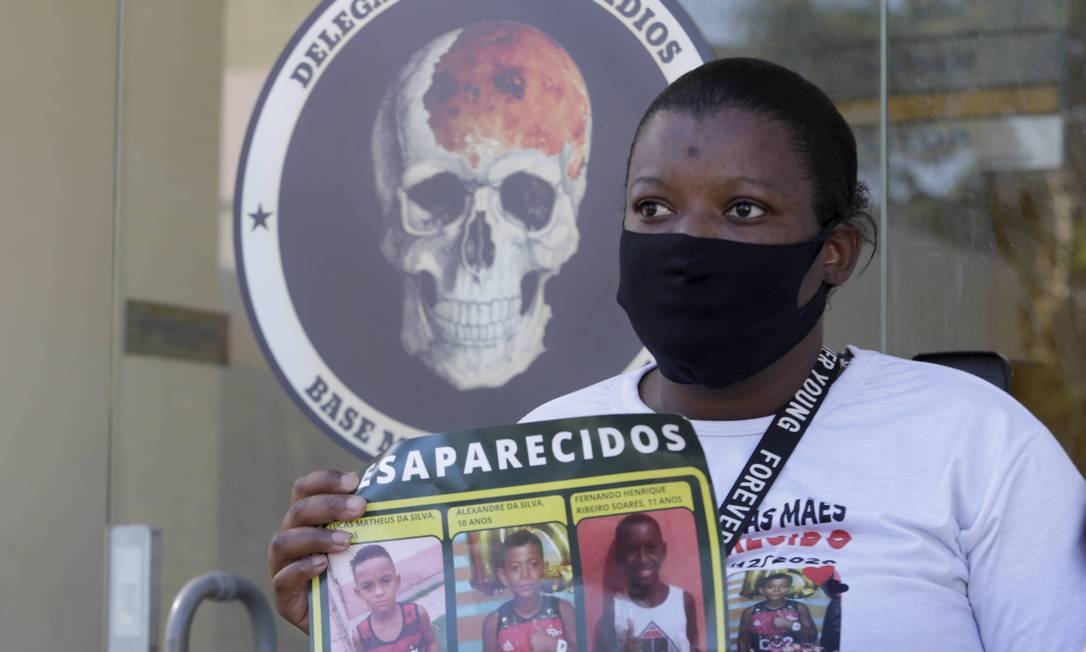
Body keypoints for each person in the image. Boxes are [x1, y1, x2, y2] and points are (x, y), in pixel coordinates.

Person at [267, 58, 1086, 650]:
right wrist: (354, 617)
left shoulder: (973, 441)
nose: (690, 242)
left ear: (834, 251)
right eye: (653, 207)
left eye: (743, 209)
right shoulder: (543, 447)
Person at [595, 513, 698, 652]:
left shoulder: (683, 601)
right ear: (619, 557)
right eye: (631, 550)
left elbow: (694, 646)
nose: (642, 559)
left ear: (664, 551)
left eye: (651, 548)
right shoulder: (615, 610)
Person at [481, 529, 577, 652]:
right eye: (515, 568)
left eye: (533, 564)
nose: (525, 575)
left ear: (544, 568)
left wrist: (555, 646)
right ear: (503, 576)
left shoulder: (562, 609)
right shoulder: (494, 623)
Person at [348, 544, 440, 652]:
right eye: (368, 586)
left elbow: (432, 643)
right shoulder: (360, 635)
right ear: (358, 593)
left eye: (386, 581)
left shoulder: (418, 614)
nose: (379, 592)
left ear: (397, 581)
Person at [735, 573, 817, 652]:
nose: (776, 590)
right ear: (762, 590)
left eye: (783, 586)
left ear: (790, 589)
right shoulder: (750, 611)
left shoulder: (799, 608)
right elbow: (743, 641)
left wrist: (791, 625)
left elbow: (812, 636)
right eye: (770, 587)